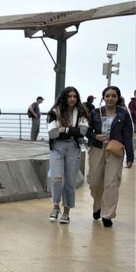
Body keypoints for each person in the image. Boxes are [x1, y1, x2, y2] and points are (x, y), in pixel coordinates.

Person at [86, 86, 134, 227]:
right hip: (97, 149)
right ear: (103, 98)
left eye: (113, 96)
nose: (110, 98)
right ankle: (98, 207)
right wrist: (95, 136)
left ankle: (107, 215)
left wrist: (130, 156)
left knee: (111, 183)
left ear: (118, 98)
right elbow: (86, 131)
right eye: (107, 96)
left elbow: (127, 135)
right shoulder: (95, 112)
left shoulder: (124, 114)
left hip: (115, 150)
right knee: (95, 182)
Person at [46, 87, 89, 224]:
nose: (72, 99)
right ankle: (55, 206)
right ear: (64, 97)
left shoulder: (81, 112)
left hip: (73, 148)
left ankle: (66, 211)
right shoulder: (54, 112)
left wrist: (64, 129)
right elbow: (52, 133)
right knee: (57, 178)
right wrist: (72, 130)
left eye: (75, 96)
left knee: (70, 182)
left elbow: (82, 131)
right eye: (69, 96)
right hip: (57, 148)